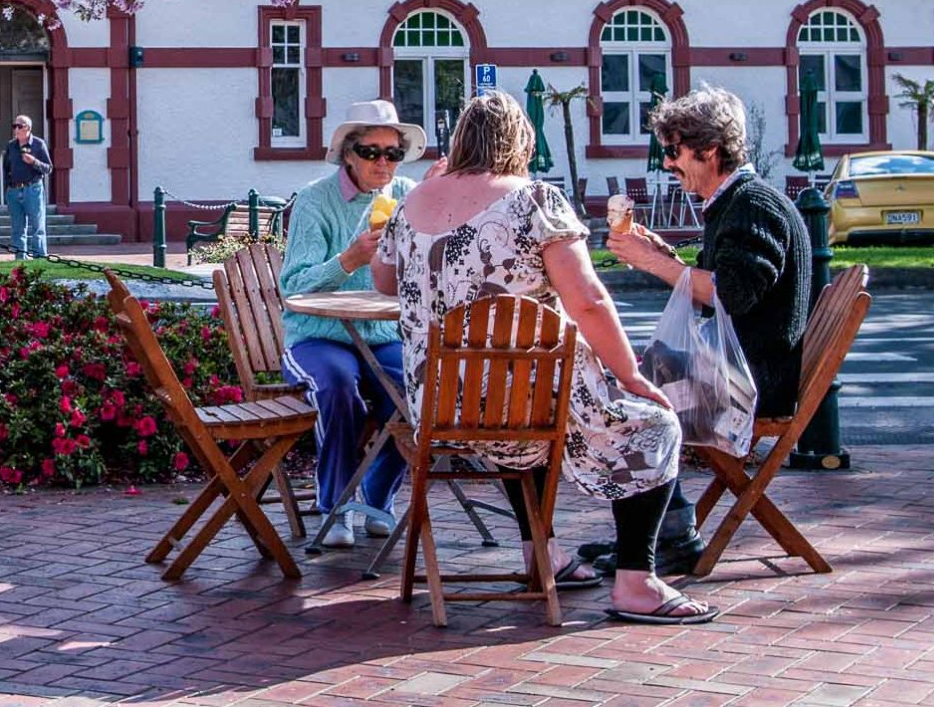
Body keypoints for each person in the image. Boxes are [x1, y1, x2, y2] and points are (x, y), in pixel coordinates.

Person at [374, 91, 719, 624]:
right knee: (655, 425)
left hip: (441, 408)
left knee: (522, 427)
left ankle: (546, 554)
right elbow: (587, 299)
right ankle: (636, 582)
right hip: (529, 405)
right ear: (521, 141)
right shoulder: (535, 199)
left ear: (461, 140)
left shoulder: (412, 201)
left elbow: (384, 279)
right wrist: (628, 375)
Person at [594, 84, 811, 576]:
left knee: (625, 400)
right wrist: (668, 259)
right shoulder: (738, 203)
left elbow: (731, 293)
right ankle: (665, 530)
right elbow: (727, 286)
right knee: (631, 385)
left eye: (674, 152)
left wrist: (653, 264)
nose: (668, 164)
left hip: (754, 384)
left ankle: (661, 536)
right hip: (748, 368)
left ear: (708, 151)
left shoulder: (752, 206)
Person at [279, 99, 421, 549]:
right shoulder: (314, 200)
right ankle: (336, 505)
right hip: (317, 335)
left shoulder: (407, 195)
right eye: (372, 152)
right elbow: (294, 287)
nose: (384, 162)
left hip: (381, 332)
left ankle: (377, 497)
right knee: (338, 387)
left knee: (414, 385)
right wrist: (349, 259)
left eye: (392, 153)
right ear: (349, 154)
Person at [1, 116, 54, 260]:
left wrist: (34, 162)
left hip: (33, 189)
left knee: (37, 226)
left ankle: (40, 257)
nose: (16, 129)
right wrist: (8, 188)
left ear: (28, 128)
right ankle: (20, 258)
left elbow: (48, 168)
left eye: (19, 126)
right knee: (18, 227)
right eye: (14, 126)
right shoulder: (11, 146)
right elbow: (6, 168)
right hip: (14, 190)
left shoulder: (38, 144)